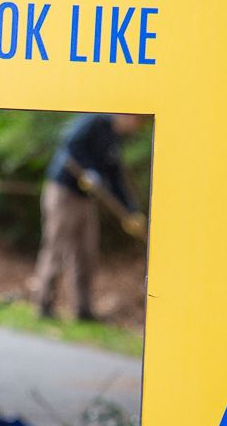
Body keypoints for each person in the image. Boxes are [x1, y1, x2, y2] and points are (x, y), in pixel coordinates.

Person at [34, 112, 146, 322]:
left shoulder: (114, 138)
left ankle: (82, 310)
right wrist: (88, 170)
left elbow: (115, 177)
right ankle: (44, 304)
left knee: (86, 252)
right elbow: (69, 143)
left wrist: (131, 211)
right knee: (56, 248)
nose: (136, 127)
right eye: (137, 120)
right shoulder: (95, 121)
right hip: (64, 192)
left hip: (86, 199)